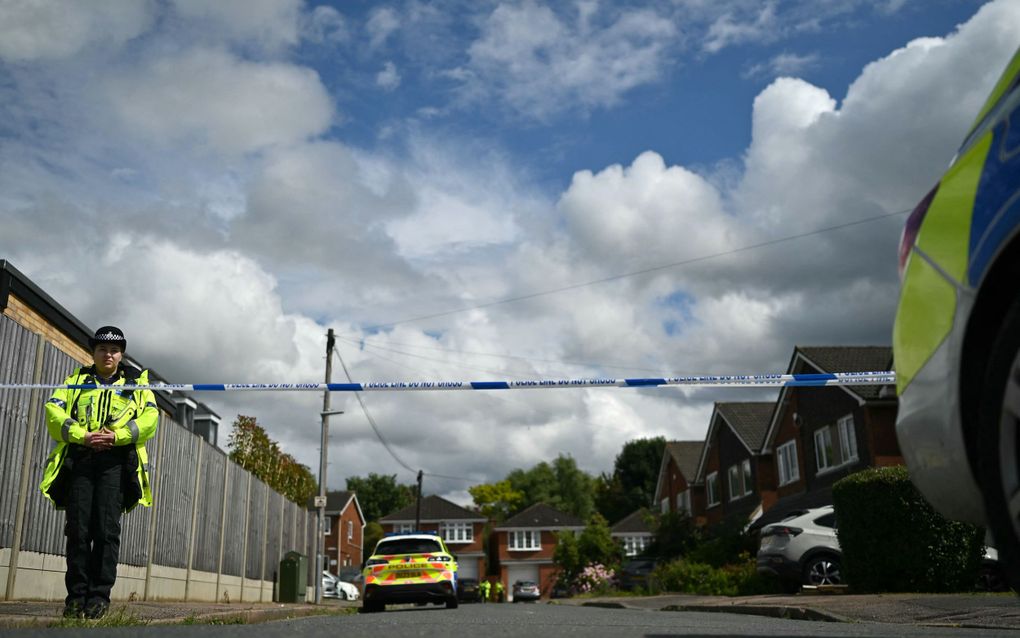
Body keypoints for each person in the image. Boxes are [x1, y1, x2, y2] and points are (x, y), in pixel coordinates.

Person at [39, 326, 158, 620]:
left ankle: (98, 598)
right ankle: (76, 598)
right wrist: (83, 436)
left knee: (106, 532)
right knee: (78, 531)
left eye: (114, 350)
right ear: (93, 352)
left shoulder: (137, 385)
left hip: (115, 465)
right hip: (81, 460)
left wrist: (117, 436)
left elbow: (150, 419)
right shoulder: (75, 381)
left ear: (121, 354)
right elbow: (54, 411)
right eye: (102, 349)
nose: (108, 354)